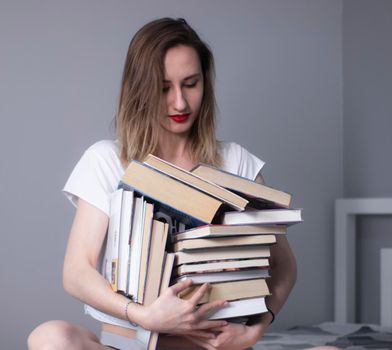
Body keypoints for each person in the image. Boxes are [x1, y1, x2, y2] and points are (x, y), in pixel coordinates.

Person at [27, 17, 297, 350]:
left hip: (216, 347)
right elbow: (76, 271)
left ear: (205, 85)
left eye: (191, 83)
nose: (180, 103)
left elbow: (284, 267)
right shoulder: (106, 160)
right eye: (163, 87)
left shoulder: (237, 162)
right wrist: (142, 316)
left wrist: (256, 330)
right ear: (139, 88)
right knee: (50, 337)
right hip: (131, 343)